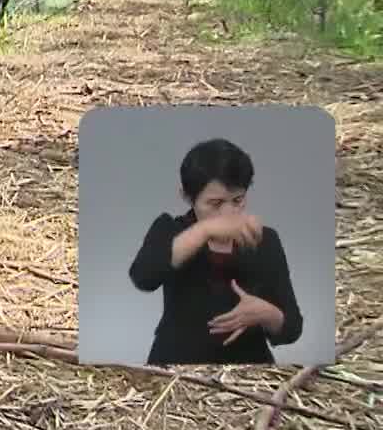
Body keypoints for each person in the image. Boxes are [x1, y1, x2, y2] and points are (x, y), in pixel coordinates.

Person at [126, 138, 304, 365]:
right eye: (215, 203)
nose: (229, 212)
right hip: (177, 364)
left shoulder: (265, 240)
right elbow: (144, 276)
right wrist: (204, 230)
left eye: (238, 200)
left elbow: (292, 329)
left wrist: (266, 313)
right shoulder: (170, 229)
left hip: (249, 367)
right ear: (187, 197)